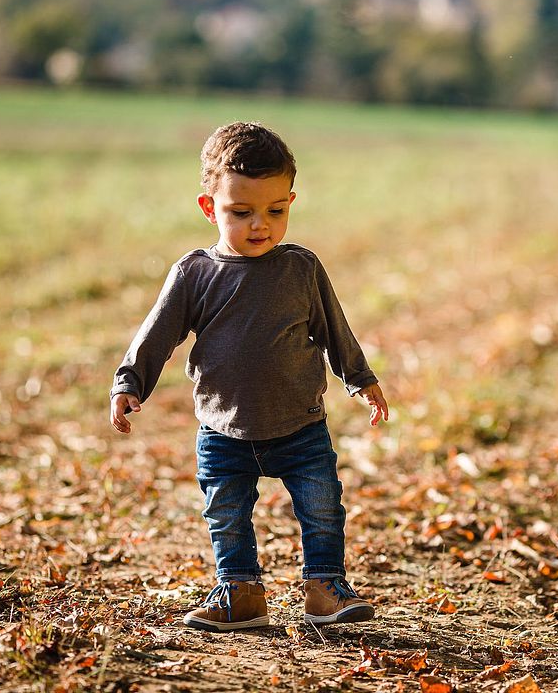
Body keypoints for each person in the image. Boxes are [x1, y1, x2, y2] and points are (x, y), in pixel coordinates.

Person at [109, 122, 389, 632]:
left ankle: (325, 587)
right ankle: (240, 592)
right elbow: (156, 335)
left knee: (323, 506)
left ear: (290, 201)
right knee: (226, 515)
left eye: (276, 211)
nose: (260, 224)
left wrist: (360, 378)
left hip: (301, 426)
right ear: (208, 207)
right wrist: (129, 382)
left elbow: (334, 327)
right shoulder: (195, 274)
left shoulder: (301, 268)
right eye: (242, 213)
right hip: (222, 430)